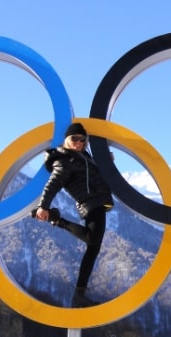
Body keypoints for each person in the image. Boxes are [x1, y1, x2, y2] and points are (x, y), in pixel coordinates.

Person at [33, 122, 114, 308]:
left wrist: (104, 161)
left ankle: (79, 295)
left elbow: (94, 176)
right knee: (92, 240)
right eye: (74, 139)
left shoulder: (83, 157)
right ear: (66, 140)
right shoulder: (65, 160)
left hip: (98, 202)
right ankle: (57, 220)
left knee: (93, 248)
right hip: (90, 202)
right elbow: (52, 184)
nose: (78, 142)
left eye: (82, 140)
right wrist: (43, 206)